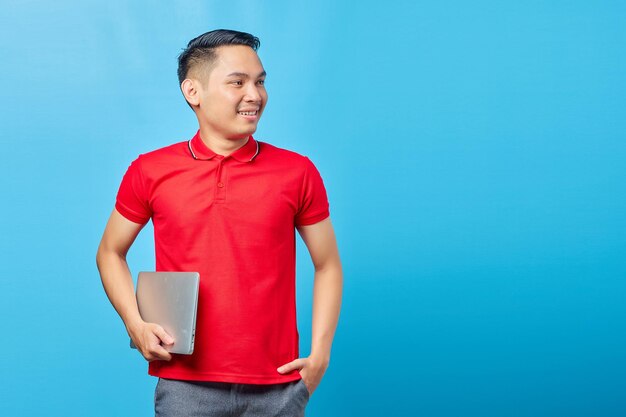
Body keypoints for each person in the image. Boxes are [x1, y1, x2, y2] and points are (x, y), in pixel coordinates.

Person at [96, 29, 343, 416]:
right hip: (184, 384)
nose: (255, 95)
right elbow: (110, 252)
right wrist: (135, 323)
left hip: (278, 385)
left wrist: (320, 357)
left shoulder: (298, 172)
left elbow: (327, 264)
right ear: (193, 92)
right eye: (238, 82)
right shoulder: (150, 171)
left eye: (260, 82)